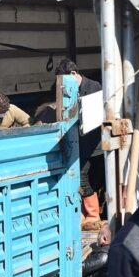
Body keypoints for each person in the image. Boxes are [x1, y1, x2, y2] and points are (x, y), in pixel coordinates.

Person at [53, 59, 105, 231]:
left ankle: (96, 214)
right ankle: (91, 215)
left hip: (96, 145)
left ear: (74, 74)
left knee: (98, 179)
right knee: (81, 177)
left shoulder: (95, 88)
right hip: (80, 145)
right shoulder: (66, 90)